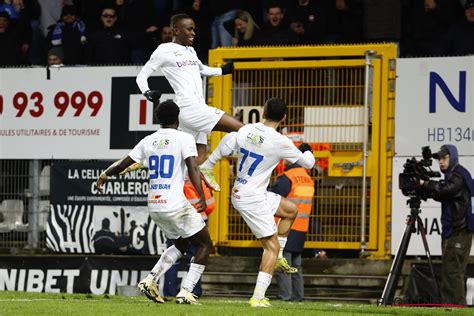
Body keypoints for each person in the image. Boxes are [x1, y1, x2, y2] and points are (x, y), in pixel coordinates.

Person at [96, 100, 212, 305]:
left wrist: (104, 175)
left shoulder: (148, 140)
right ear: (178, 118)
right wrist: (201, 196)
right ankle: (186, 291)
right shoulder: (184, 138)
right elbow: (193, 168)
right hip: (175, 204)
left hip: (155, 205)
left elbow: (124, 163)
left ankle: (150, 279)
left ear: (158, 119)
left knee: (182, 243)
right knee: (204, 243)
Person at [204, 98, 316, 307]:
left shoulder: (247, 130)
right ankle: (257, 297)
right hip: (251, 198)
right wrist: (307, 149)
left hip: (250, 192)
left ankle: (280, 256)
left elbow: (229, 141)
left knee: (291, 210)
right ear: (284, 118)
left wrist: (211, 162)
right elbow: (308, 163)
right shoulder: (280, 141)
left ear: (263, 112)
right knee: (270, 248)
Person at [136, 13, 244, 190]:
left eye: (194, 29)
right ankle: (208, 167)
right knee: (242, 128)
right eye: (189, 29)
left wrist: (222, 71)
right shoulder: (164, 50)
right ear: (176, 30)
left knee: (197, 156)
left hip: (196, 108)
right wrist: (146, 92)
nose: (193, 33)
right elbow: (142, 75)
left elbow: (202, 69)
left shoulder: (191, 51)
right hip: (189, 107)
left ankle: (174, 190)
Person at [419, 144, 474, 305]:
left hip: (459, 232)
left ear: (453, 157)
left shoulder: (458, 175)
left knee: (452, 274)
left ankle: (456, 309)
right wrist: (427, 188)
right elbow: (441, 193)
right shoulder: (453, 175)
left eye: (444, 158)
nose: (440, 162)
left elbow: (446, 190)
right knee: (452, 274)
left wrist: (425, 184)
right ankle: (451, 308)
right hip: (455, 232)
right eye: (439, 159)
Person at [270, 143, 315, 302]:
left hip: (286, 226)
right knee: (296, 264)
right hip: (301, 228)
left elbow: (272, 200)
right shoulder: (308, 179)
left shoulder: (287, 178)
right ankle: (297, 296)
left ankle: (285, 295)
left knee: (282, 263)